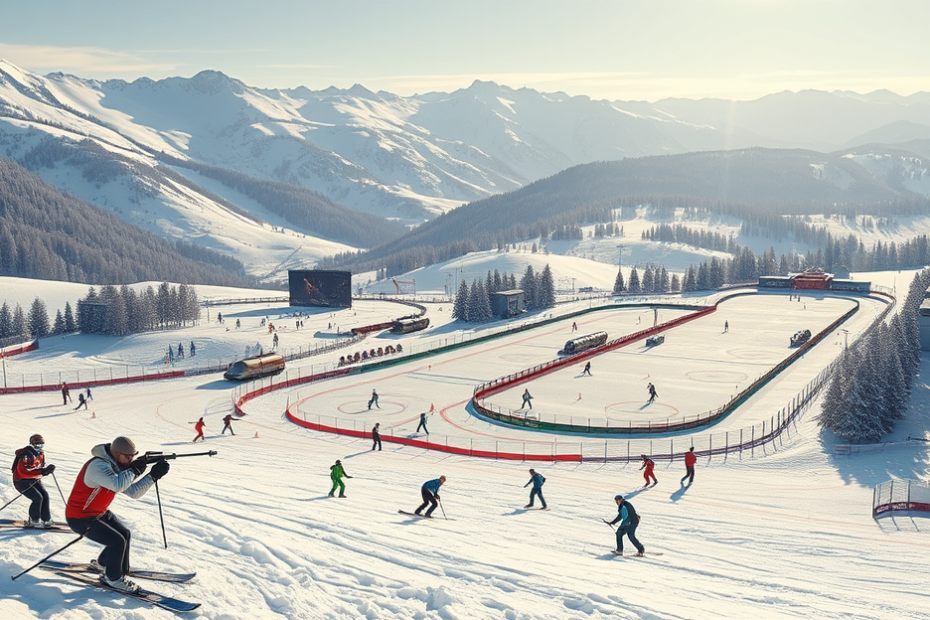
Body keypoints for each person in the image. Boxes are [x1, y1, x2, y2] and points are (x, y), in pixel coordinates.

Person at [65, 436, 170, 593]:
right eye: (128, 456)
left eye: (133, 456)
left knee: (124, 534)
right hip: (80, 517)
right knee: (117, 541)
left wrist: (152, 476)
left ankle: (105, 565)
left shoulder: (115, 465)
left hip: (98, 512)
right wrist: (134, 469)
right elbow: (118, 485)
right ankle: (113, 578)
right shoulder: (98, 466)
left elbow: (133, 492)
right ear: (116, 453)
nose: (130, 459)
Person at [12, 434, 55, 528]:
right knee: (37, 497)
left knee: (45, 495)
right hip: (21, 481)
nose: (39, 446)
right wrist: (41, 472)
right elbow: (23, 472)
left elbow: (39, 468)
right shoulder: (26, 454)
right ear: (32, 444)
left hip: (34, 479)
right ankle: (34, 520)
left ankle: (46, 519)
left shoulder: (40, 454)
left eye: (41, 444)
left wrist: (46, 470)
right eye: (37, 444)